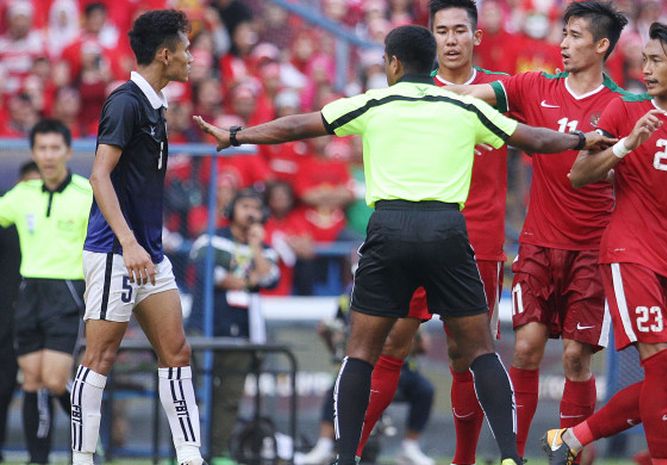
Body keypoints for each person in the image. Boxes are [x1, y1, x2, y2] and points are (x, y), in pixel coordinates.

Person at [194, 24, 614, 465]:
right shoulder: (461, 105)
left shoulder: (376, 102)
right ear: (432, 63)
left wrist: (237, 135)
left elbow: (302, 125)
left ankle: (344, 458)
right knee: (480, 352)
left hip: (388, 229)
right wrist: (582, 139)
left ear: (393, 64)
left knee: (361, 353)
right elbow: (533, 139)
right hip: (447, 231)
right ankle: (511, 456)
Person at [448, 1, 629, 456]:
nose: (563, 44)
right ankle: (516, 453)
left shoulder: (621, 106)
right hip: (536, 245)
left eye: (575, 36)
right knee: (525, 350)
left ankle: (570, 453)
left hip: (592, 251)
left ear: (602, 45)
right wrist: (425, 95)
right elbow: (471, 97)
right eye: (563, 34)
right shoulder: (533, 87)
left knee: (575, 359)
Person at [355, 2, 512, 465]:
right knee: (390, 343)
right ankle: (353, 452)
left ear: (476, 37)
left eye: (460, 30)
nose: (451, 39)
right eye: (441, 30)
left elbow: (536, 140)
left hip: (478, 238)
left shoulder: (503, 91)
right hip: (410, 229)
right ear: (430, 38)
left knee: (466, 354)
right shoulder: (405, 90)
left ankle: (462, 459)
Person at [543, 22, 667, 465]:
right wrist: (627, 145)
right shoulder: (623, 109)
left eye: (656, 60)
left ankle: (573, 438)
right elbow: (579, 175)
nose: (643, 68)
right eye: (643, 58)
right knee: (657, 361)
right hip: (629, 252)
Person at [68, 10, 204, 465]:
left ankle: (189, 457)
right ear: (165, 54)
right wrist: (128, 243)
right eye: (186, 48)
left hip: (149, 254)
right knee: (99, 357)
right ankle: (81, 458)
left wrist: (141, 247)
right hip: (115, 252)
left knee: (177, 350)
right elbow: (98, 176)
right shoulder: (126, 102)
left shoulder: (154, 104)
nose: (191, 57)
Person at [0, 119, 92, 465]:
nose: (49, 155)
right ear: (34, 152)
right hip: (28, 294)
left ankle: (88, 427)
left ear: (68, 151)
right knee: (32, 382)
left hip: (65, 293)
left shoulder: (87, 194)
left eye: (55, 148)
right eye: (42, 148)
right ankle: (38, 460)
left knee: (55, 381)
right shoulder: (22, 195)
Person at [189, 188, 280, 465]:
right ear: (232, 210)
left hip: (243, 333)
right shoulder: (212, 238)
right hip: (205, 327)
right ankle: (183, 452)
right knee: (189, 393)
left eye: (256, 207)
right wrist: (250, 278)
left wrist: (254, 249)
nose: (251, 212)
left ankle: (218, 453)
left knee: (229, 397)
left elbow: (270, 278)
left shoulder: (264, 248)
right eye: (245, 206)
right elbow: (212, 274)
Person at [300, 282, 435, 465]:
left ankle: (410, 447)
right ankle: (326, 445)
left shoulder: (406, 287)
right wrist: (329, 335)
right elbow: (336, 342)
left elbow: (423, 346)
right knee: (337, 387)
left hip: (399, 365)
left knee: (424, 390)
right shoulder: (346, 299)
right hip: (363, 362)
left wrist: (412, 336)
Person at [0, 161, 41, 462]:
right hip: (5, 321)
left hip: (42, 320)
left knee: (42, 385)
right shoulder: (6, 222)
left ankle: (38, 455)